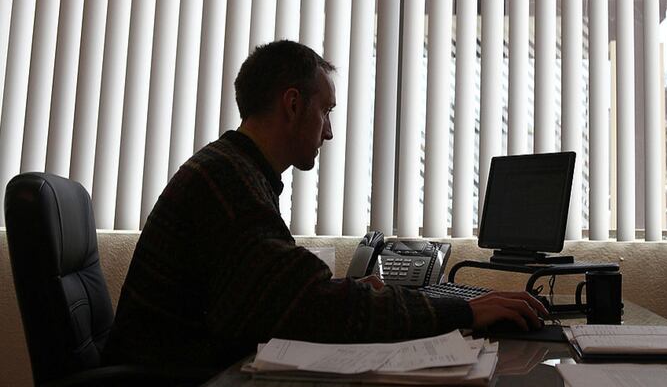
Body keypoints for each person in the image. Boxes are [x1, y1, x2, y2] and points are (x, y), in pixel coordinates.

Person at [103, 40, 548, 373]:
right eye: (327, 111)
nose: (330, 132)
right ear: (293, 104)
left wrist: (353, 291)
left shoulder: (236, 171)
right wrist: (464, 310)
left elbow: (285, 290)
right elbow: (307, 306)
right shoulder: (226, 183)